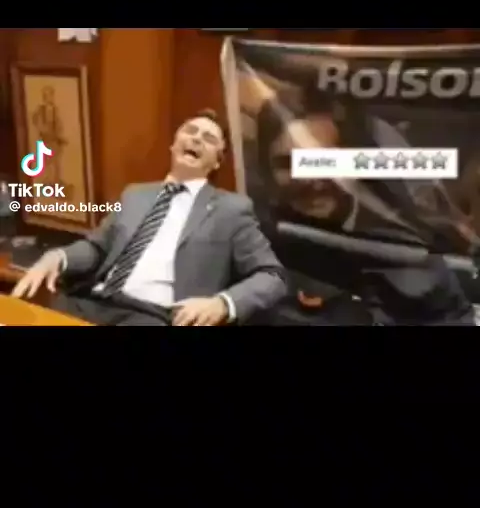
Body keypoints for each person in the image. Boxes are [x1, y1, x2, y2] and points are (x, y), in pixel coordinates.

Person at [12, 109, 287, 326]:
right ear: (173, 145)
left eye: (209, 138)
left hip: (152, 316)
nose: (196, 139)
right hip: (92, 300)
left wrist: (222, 304)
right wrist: (59, 257)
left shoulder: (231, 210)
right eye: (190, 131)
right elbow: (97, 247)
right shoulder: (135, 194)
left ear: (217, 161)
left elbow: (272, 276)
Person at [254, 93, 475, 325]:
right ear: (266, 171)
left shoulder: (410, 242)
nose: (308, 179)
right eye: (286, 163)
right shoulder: (253, 250)